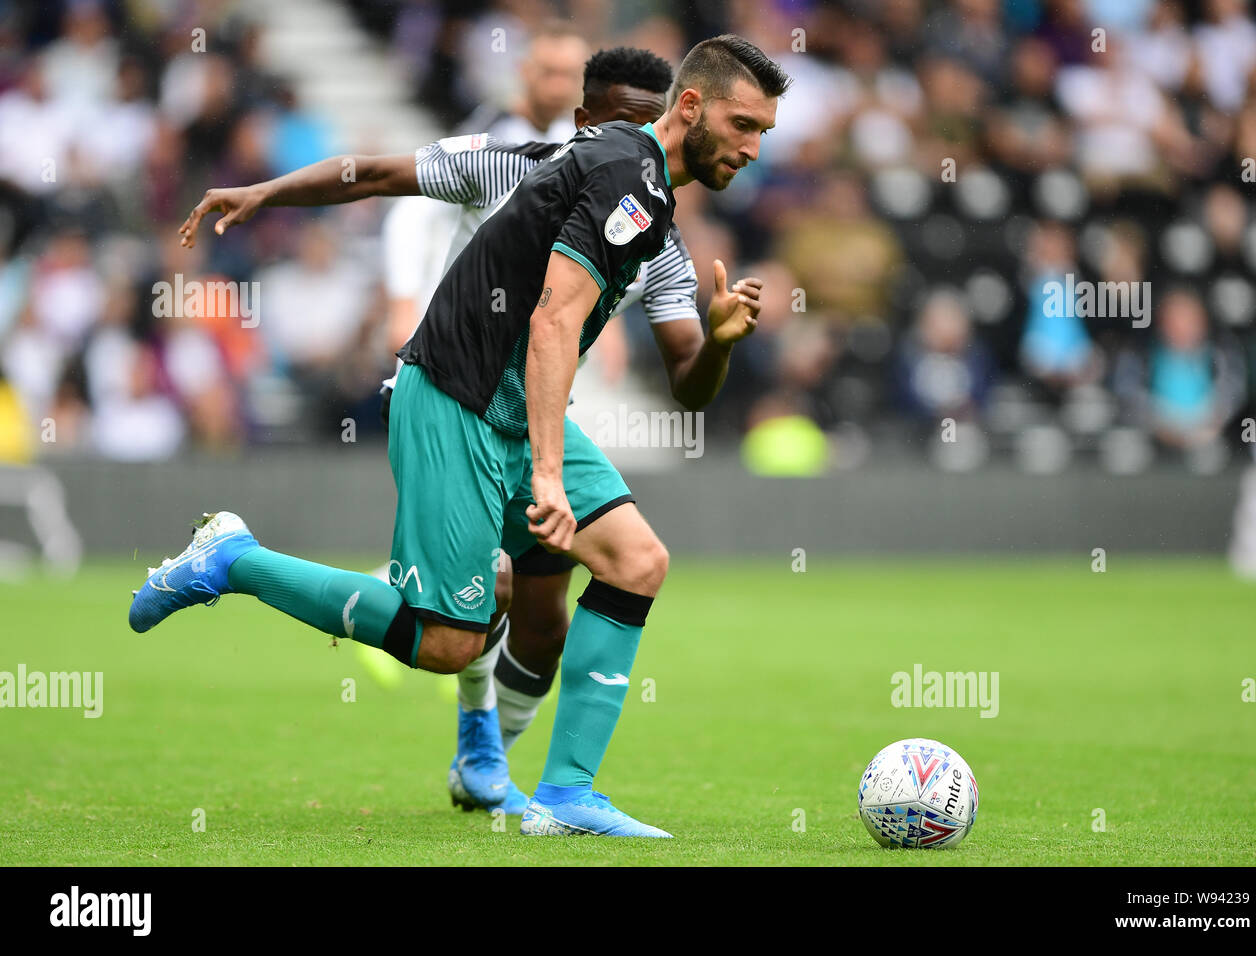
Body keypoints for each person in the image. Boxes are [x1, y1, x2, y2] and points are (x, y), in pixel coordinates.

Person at [131, 34, 789, 838]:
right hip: (458, 398)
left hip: (516, 408)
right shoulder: (617, 177)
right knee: (445, 642)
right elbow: (552, 318)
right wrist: (548, 474)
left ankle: (565, 795)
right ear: (690, 108)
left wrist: (718, 339)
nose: (756, 149)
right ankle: (233, 559)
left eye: (765, 132)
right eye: (745, 125)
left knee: (634, 561)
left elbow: (683, 378)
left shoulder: (648, 197)